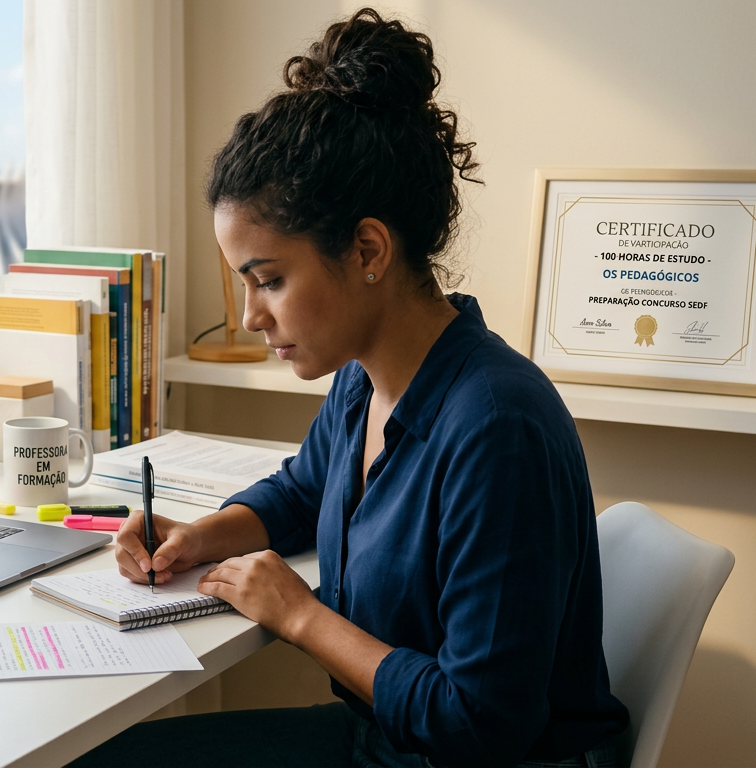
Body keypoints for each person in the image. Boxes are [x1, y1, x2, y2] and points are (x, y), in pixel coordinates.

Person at [74, 9, 629, 768]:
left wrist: (299, 617)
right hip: (389, 742)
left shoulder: (497, 428)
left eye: (269, 279)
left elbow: (482, 724)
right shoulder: (365, 383)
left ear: (368, 249)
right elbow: (305, 493)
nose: (250, 315)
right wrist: (200, 537)